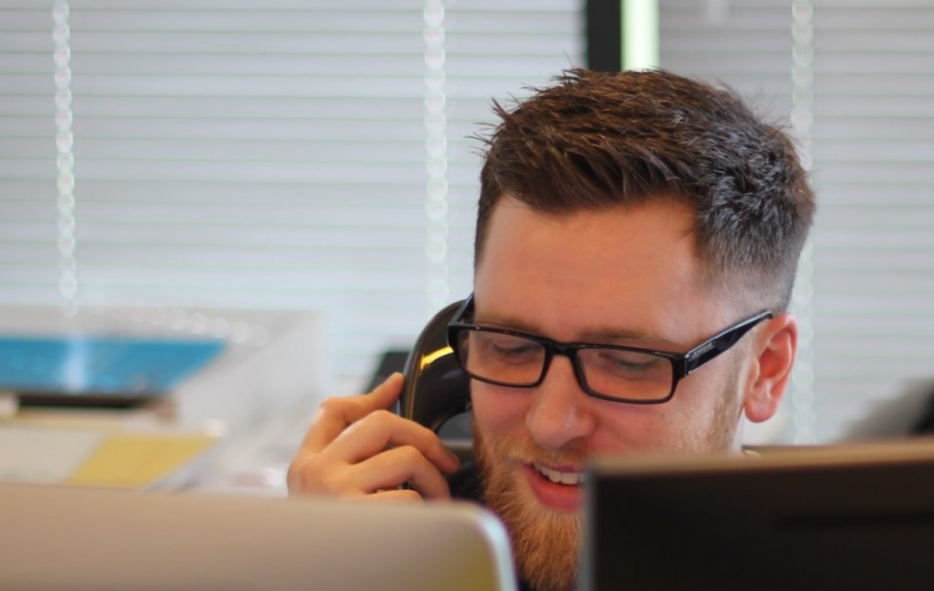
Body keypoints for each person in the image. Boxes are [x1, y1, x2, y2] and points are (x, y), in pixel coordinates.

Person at [288, 68, 814, 591]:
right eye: (509, 347)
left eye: (628, 362)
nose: (551, 424)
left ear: (765, 369)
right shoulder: (393, 553)